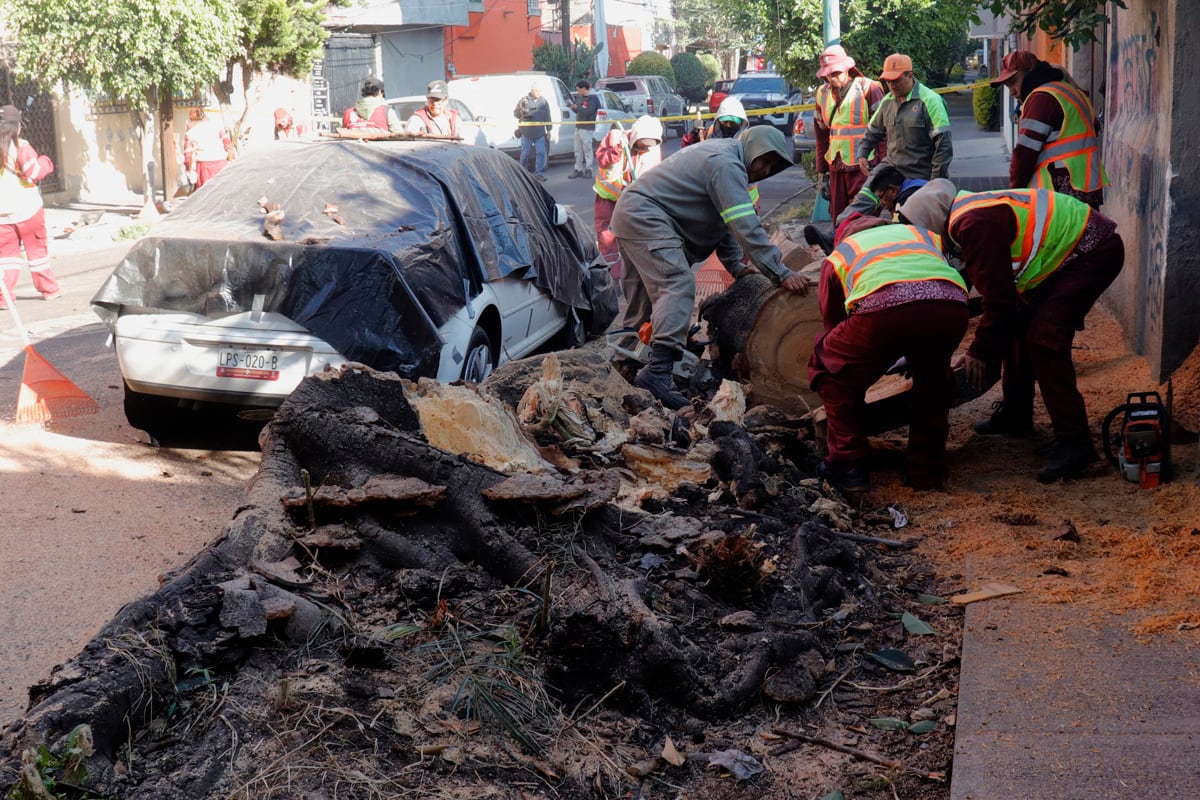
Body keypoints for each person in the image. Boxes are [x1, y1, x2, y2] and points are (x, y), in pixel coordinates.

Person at [899, 180, 1125, 483]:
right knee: (1021, 330)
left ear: (930, 224)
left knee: (1045, 340)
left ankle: (1075, 443)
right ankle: (1017, 415)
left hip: (1091, 253)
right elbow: (983, 296)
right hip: (1071, 255)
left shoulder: (972, 224)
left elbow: (998, 300)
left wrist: (979, 351)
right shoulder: (969, 212)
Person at [610, 126, 810, 409]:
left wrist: (736, 268)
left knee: (642, 300)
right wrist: (781, 272)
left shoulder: (725, 159)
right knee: (676, 284)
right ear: (751, 147)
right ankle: (657, 373)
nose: (765, 169)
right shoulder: (726, 164)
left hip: (632, 214)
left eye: (773, 166)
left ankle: (624, 367)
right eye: (764, 159)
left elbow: (725, 224)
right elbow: (744, 225)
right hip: (645, 215)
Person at [809, 223, 969, 493]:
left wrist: (865, 363)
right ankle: (927, 472)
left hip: (883, 311)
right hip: (952, 305)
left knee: (828, 367)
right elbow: (928, 288)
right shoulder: (919, 234)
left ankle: (848, 466)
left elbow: (834, 325)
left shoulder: (841, 254)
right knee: (933, 380)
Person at [991, 50, 1108, 208]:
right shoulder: (1071, 92)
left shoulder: (1041, 98)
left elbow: (1024, 154)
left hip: (1060, 193)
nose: (1011, 91)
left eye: (1013, 82)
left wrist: (1014, 194)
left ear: (1029, 73)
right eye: (1007, 86)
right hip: (1085, 190)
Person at [813, 44, 887, 221]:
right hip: (836, 168)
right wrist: (822, 175)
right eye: (827, 75)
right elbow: (821, 136)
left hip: (864, 168)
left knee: (862, 219)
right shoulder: (822, 94)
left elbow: (885, 132)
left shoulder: (869, 88)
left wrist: (884, 168)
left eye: (836, 73)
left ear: (847, 68)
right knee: (838, 219)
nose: (832, 79)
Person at [0, 104, 62, 306]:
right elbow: (34, 172)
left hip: (2, 214)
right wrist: (46, 161)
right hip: (27, 209)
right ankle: (49, 289)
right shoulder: (20, 146)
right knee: (37, 252)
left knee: (6, 257)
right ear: (16, 126)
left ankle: (4, 296)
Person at [856, 53, 952, 181]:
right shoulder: (887, 102)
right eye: (888, 81)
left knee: (911, 200)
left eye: (896, 80)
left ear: (910, 76)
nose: (891, 85)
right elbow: (873, 132)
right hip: (891, 169)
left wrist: (935, 182)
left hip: (921, 175)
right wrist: (862, 154)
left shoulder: (930, 101)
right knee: (864, 197)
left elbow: (943, 144)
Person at [594, 116, 664, 278]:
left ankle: (637, 274)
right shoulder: (615, 138)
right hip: (608, 198)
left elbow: (654, 177)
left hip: (634, 199)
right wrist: (616, 150)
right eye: (642, 144)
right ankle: (612, 276)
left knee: (636, 236)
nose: (645, 148)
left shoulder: (653, 149)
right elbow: (601, 160)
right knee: (607, 238)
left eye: (649, 145)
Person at [182, 107, 232, 189]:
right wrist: (230, 155)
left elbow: (187, 153)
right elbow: (226, 142)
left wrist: (188, 168)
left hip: (204, 165)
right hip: (220, 162)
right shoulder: (214, 125)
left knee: (205, 191)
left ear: (190, 117)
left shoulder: (190, 131)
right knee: (222, 189)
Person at [514, 84, 551, 182]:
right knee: (525, 154)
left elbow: (548, 117)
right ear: (532, 91)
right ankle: (523, 173)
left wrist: (549, 131)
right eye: (537, 91)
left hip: (540, 133)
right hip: (526, 132)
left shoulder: (543, 101)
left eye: (540, 91)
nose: (539, 93)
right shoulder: (524, 100)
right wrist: (521, 110)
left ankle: (538, 173)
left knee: (541, 152)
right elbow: (516, 114)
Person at [680, 97, 749, 147]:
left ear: (741, 122)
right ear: (718, 120)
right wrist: (694, 135)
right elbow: (686, 148)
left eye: (732, 122)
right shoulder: (709, 134)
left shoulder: (747, 139)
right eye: (725, 121)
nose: (728, 125)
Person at [567, 80, 600, 178]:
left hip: (587, 127)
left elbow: (589, 111)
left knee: (587, 149)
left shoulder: (593, 98)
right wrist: (573, 107)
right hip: (578, 126)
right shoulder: (579, 97)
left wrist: (579, 107)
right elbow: (578, 111)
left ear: (584, 88)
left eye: (578, 90)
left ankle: (589, 169)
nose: (577, 92)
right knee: (577, 149)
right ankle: (578, 169)